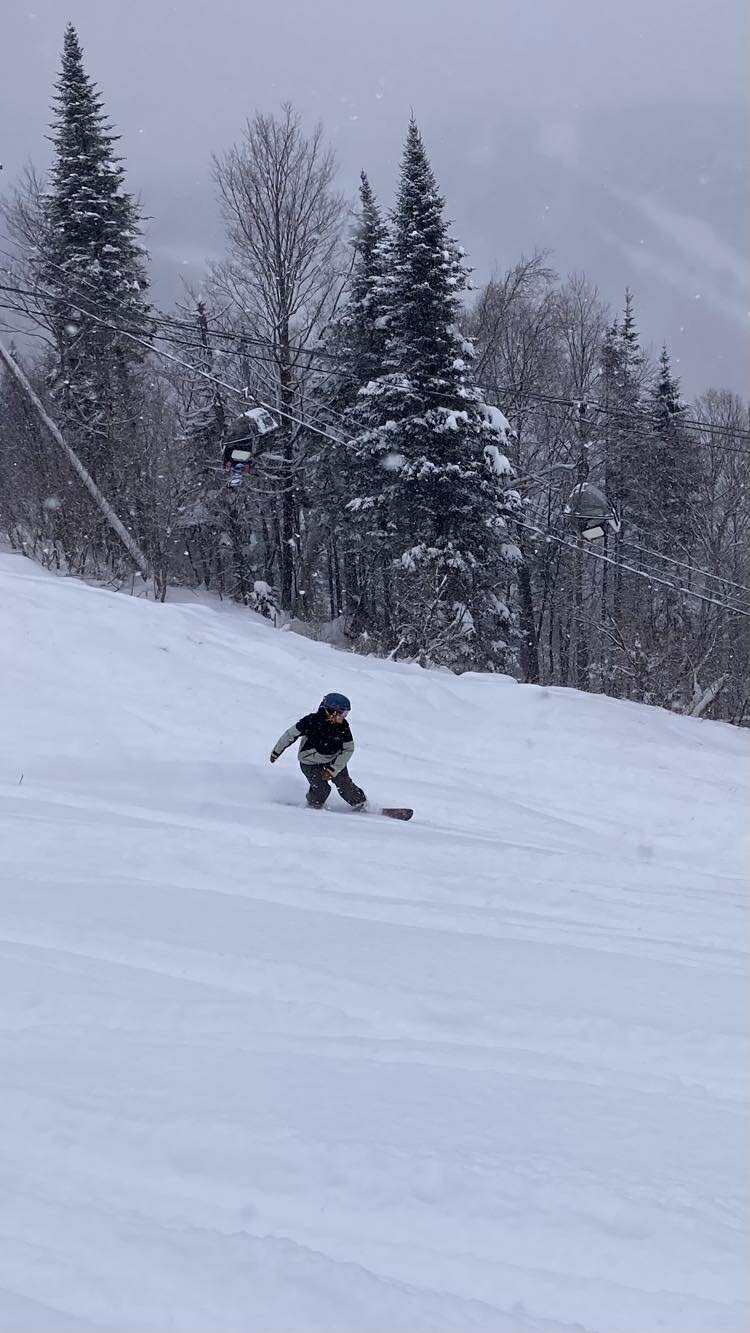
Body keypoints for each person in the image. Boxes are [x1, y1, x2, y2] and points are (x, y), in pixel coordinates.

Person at [270, 692, 367, 810]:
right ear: (331, 711)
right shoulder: (311, 721)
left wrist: (333, 770)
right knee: (321, 789)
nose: (344, 717)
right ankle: (313, 806)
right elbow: (290, 735)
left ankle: (360, 804)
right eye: (342, 713)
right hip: (310, 763)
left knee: (344, 784)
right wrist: (276, 752)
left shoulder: (343, 727)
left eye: (346, 714)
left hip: (333, 760)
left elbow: (348, 749)